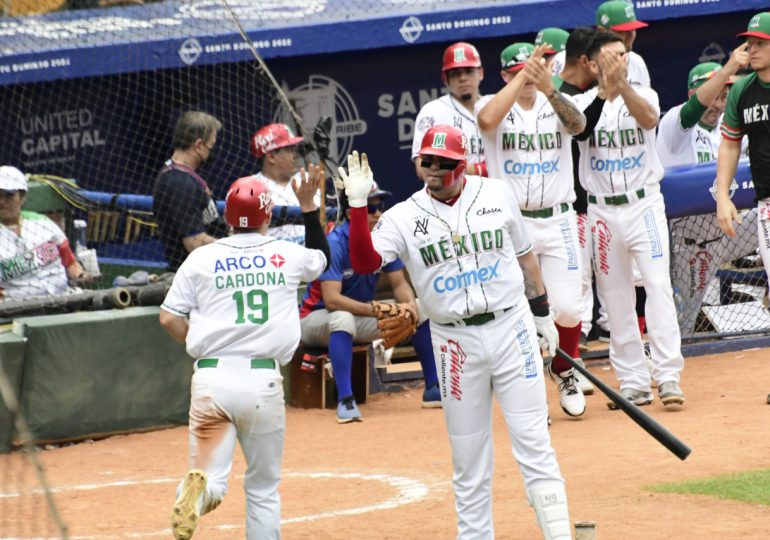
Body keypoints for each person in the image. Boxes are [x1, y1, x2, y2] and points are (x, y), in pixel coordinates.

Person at [343, 126, 572, 540]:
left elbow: (526, 261)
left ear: (461, 166)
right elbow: (363, 263)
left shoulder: (497, 194)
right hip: (453, 341)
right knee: (469, 464)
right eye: (426, 161)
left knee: (535, 445)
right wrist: (358, 206)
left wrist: (542, 315)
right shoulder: (402, 217)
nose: (433, 170)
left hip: (510, 327)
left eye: (443, 164)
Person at [159, 166, 330, 539]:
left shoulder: (201, 258)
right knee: (263, 488)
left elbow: (168, 318)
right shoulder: (284, 254)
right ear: (266, 216)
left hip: (210, 378)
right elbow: (322, 258)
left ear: (227, 217)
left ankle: (200, 493)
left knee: (213, 478)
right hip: (261, 380)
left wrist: (196, 345)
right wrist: (308, 207)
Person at [476, 42, 589, 415]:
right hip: (513, 223)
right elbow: (487, 121)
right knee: (520, 314)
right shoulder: (491, 104)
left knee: (570, 310)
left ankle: (564, 369)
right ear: (506, 75)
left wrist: (549, 87)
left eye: (535, 68)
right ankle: (530, 390)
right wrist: (524, 75)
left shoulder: (552, 100)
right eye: (519, 72)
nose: (528, 77)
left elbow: (579, 126)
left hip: (558, 218)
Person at [575, 31, 684, 408]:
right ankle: (633, 382)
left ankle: (668, 375)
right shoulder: (583, 102)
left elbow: (649, 117)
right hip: (603, 210)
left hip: (643, 203)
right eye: (611, 56)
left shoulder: (644, 93)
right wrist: (606, 90)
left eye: (623, 54)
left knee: (657, 285)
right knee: (616, 298)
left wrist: (621, 85)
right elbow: (580, 129)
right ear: (590, 63)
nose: (621, 60)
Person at [299, 181, 440, 422]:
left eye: (380, 207)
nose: (377, 213)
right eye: (370, 208)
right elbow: (332, 300)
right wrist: (375, 310)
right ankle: (346, 399)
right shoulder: (335, 243)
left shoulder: (381, 240)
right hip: (315, 320)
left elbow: (399, 284)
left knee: (420, 307)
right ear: (349, 212)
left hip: (359, 319)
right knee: (342, 319)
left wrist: (406, 307)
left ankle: (433, 388)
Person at [715, 11, 770, 404]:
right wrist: (722, 194)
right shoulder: (742, 90)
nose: (751, 49)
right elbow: (731, 143)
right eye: (749, 42)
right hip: (767, 202)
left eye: (760, 43)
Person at [0, 166, 92, 299]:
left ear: (22, 196)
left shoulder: (43, 223)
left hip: (64, 298)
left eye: (9, 195)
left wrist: (82, 276)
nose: (2, 202)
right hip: (16, 307)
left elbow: (70, 263)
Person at [153, 111, 226, 272]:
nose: (213, 150)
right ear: (199, 145)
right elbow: (194, 242)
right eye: (211, 146)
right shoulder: (178, 183)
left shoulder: (186, 176)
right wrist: (236, 248)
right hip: (193, 278)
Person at [412, 42, 486, 177]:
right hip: (451, 195)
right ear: (445, 78)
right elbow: (422, 167)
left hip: (490, 194)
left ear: (480, 73)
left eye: (469, 71)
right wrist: (478, 170)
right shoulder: (433, 112)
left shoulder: (495, 107)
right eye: (455, 73)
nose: (463, 78)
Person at [250, 123, 321, 244]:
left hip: (310, 255)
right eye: (289, 150)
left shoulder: (306, 180)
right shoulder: (251, 187)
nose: (295, 155)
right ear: (271, 156)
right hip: (273, 259)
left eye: (294, 149)